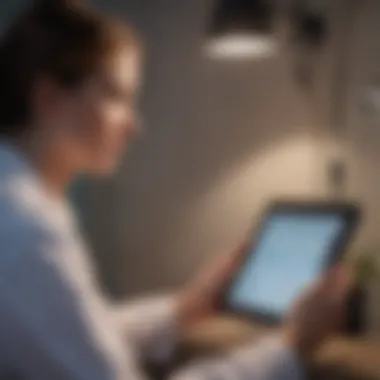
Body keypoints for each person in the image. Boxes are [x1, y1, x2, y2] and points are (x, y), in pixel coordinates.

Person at [0, 0, 352, 379]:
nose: (134, 126)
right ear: (49, 97)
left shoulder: (21, 204)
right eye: (117, 96)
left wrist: (182, 309)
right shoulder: (28, 232)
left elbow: (73, 336)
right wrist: (292, 346)